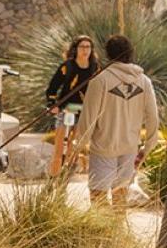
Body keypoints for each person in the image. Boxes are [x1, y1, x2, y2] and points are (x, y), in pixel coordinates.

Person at [76, 34, 159, 208]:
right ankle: (117, 234)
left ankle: (103, 235)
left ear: (108, 54)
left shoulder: (100, 80)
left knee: (98, 200)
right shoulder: (144, 81)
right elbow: (153, 117)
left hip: (103, 147)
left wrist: (80, 145)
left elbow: (88, 117)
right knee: (120, 199)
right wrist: (148, 147)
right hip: (129, 148)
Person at [44, 35, 98, 175]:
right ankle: (54, 178)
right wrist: (52, 104)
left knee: (74, 147)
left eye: (88, 47)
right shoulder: (67, 66)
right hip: (66, 110)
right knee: (59, 147)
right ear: (76, 49)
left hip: (84, 112)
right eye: (82, 47)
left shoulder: (96, 67)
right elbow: (52, 88)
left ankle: (67, 176)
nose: (85, 50)